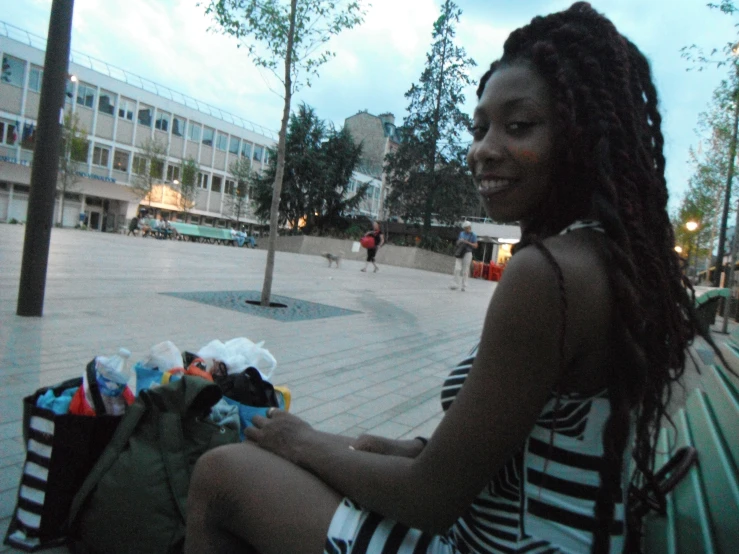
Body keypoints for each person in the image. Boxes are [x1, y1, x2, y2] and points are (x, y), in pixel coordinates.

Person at [185, 4, 725, 553]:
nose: (484, 150)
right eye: (481, 127)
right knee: (326, 453)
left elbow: (430, 501)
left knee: (222, 474)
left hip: (495, 544)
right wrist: (366, 447)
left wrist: (301, 442)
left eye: (518, 126)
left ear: (582, 134)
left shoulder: (550, 276)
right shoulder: (611, 261)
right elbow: (509, 453)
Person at [450, 221, 478, 291]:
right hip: (460, 252)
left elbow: (476, 245)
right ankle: (455, 284)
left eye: (467, 228)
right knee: (457, 268)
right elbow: (457, 242)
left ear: (470, 227)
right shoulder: (461, 233)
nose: (466, 229)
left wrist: (467, 242)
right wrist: (460, 241)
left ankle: (464, 285)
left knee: (465, 269)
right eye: (465, 228)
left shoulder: (473, 235)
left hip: (468, 252)